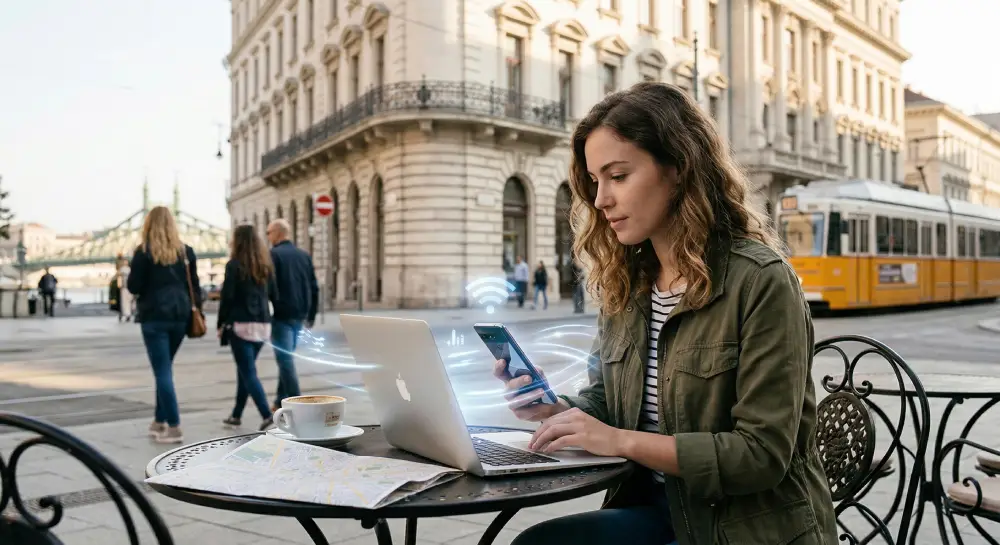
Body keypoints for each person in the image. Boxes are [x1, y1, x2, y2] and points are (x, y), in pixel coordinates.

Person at [493, 82, 837, 545]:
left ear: (678, 169)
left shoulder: (760, 281)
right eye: (595, 181)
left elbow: (760, 456)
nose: (601, 200)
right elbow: (609, 405)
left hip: (744, 526)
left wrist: (618, 442)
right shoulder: (629, 285)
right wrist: (554, 410)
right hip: (659, 510)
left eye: (618, 176)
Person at [127, 206, 203, 444]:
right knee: (165, 369)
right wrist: (197, 310)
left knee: (162, 372)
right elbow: (196, 286)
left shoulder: (143, 252)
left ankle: (174, 426)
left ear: (148, 225)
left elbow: (133, 286)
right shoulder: (186, 251)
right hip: (180, 316)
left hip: (154, 317)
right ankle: (159, 421)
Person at [219, 225, 276, 431]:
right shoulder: (265, 265)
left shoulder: (234, 265)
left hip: (241, 324)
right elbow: (274, 295)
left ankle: (267, 415)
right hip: (263, 325)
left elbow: (227, 298)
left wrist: (221, 323)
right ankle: (236, 414)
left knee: (248, 372)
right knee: (245, 370)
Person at [265, 219, 318, 411]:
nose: (267, 236)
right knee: (286, 356)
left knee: (285, 360)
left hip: (282, 315)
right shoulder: (304, 255)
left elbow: (269, 286)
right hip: (300, 315)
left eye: (268, 232)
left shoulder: (273, 255)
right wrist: (311, 315)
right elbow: (314, 287)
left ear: (277, 233)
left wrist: (268, 311)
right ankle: (280, 399)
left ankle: (298, 403)